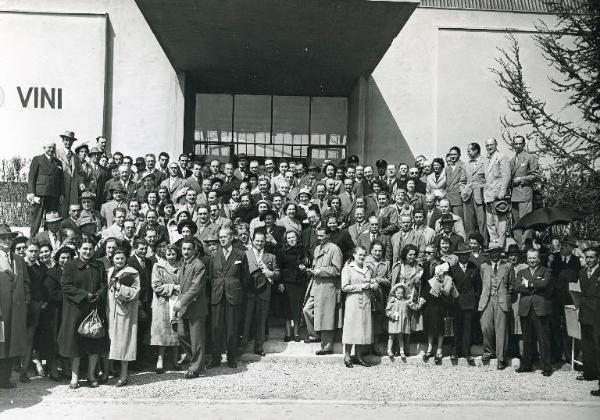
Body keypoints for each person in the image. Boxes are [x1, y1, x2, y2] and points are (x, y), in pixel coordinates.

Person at [58, 237, 108, 389]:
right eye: (85, 249)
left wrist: (98, 294)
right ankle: (74, 377)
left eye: (90, 249)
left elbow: (104, 284)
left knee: (94, 343)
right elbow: (66, 286)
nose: (88, 252)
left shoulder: (98, 265)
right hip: (76, 310)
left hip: (94, 310)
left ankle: (91, 375)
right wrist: (85, 295)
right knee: (76, 346)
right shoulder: (70, 266)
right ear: (78, 249)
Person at [207, 228, 246, 369]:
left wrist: (235, 288)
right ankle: (215, 359)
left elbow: (245, 277)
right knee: (216, 327)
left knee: (232, 328)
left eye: (225, 237)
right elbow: (211, 276)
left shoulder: (240, 254)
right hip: (218, 295)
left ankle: (231, 358)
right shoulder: (214, 255)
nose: (222, 239)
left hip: (233, 295)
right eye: (220, 237)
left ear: (231, 238)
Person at [303, 226, 343, 353]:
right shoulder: (317, 248)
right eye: (318, 235)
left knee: (326, 316)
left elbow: (337, 270)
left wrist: (320, 271)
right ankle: (314, 335)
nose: (319, 238)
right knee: (307, 310)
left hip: (327, 287)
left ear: (328, 235)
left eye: (321, 236)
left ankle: (327, 346)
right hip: (316, 285)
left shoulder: (335, 249)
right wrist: (310, 270)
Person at [515, 249, 553, 376]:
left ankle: (546, 367)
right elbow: (517, 287)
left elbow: (545, 284)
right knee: (527, 339)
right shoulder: (521, 272)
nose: (532, 260)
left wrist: (528, 283)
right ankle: (526, 365)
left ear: (539, 258)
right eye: (530, 258)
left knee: (543, 339)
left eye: (534, 258)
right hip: (526, 309)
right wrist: (535, 285)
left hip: (540, 308)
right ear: (527, 259)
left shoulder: (546, 270)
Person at [173, 239, 208, 379]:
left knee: (197, 339)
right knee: (181, 334)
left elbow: (195, 288)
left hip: (196, 308)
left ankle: (195, 368)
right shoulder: (184, 264)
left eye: (189, 249)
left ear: (194, 250)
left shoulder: (199, 265)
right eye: (184, 249)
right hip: (184, 307)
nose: (186, 252)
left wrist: (180, 303)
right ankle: (198, 361)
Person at [0, 224, 29, 389]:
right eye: (3, 238)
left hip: (16, 311)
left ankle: (5, 379)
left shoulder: (18, 259)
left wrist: (25, 298)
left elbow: (25, 283)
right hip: (1, 311)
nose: (7, 241)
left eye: (9, 238)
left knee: (11, 344)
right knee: (0, 344)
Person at [241, 231, 280, 356]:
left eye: (262, 241)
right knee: (246, 320)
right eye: (257, 241)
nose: (259, 243)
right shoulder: (245, 254)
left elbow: (278, 273)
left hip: (264, 292)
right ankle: (243, 345)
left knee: (261, 319)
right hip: (249, 292)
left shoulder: (271, 256)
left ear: (265, 242)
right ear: (252, 240)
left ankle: (259, 346)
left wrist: (271, 274)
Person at [107, 248, 141, 387]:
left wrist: (119, 287)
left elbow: (135, 291)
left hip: (124, 311)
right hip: (110, 310)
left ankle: (124, 374)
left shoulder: (132, 273)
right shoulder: (109, 271)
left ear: (126, 259)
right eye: (117, 258)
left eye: (122, 258)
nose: (119, 261)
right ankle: (108, 371)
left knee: (124, 343)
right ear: (112, 259)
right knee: (111, 342)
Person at [548, 235, 581, 363]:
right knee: (554, 325)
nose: (563, 246)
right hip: (555, 299)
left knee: (569, 327)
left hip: (569, 299)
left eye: (567, 245)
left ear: (572, 248)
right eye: (563, 244)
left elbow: (577, 279)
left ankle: (569, 355)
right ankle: (556, 354)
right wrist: (549, 263)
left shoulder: (576, 262)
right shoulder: (553, 258)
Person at [478, 243, 512, 370]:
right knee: (486, 326)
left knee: (501, 329)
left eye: (497, 251)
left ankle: (501, 358)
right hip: (487, 299)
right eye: (492, 252)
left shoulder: (507, 266)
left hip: (501, 300)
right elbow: (482, 283)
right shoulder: (483, 266)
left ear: (500, 253)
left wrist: (505, 296)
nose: (495, 254)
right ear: (489, 253)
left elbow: (510, 285)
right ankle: (489, 351)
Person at [341, 246, 375, 368]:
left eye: (364, 255)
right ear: (354, 255)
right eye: (360, 254)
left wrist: (372, 284)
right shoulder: (348, 268)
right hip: (353, 301)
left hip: (365, 301)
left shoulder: (368, 269)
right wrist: (361, 286)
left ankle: (359, 356)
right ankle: (347, 356)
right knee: (351, 328)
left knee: (362, 329)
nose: (362, 257)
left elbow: (370, 283)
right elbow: (344, 287)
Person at [151, 244, 182, 373]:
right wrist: (173, 287)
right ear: (164, 254)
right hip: (162, 302)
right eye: (168, 254)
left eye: (173, 254)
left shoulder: (181, 266)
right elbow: (156, 286)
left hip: (177, 301)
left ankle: (175, 360)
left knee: (176, 331)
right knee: (163, 333)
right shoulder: (158, 266)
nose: (171, 257)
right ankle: (160, 360)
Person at [20, 240, 48, 383]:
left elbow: (45, 287)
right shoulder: (20, 265)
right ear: (25, 251)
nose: (34, 254)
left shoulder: (42, 267)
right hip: (19, 306)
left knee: (30, 338)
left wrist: (44, 301)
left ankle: (24, 371)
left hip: (35, 307)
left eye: (36, 251)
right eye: (31, 251)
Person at [449, 243, 480, 364]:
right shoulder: (453, 269)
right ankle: (455, 351)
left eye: (466, 255)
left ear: (469, 255)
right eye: (461, 255)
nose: (464, 257)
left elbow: (478, 287)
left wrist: (475, 301)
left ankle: (467, 352)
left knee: (468, 328)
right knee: (457, 328)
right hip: (457, 302)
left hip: (469, 302)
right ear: (458, 256)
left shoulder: (474, 268)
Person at [275, 230, 308, 342]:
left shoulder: (302, 249)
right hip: (286, 283)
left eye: (293, 237)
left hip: (299, 282)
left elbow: (307, 262)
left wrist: (304, 268)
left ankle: (297, 333)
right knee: (287, 308)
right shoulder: (281, 251)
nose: (291, 239)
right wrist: (280, 282)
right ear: (286, 239)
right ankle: (288, 333)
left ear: (297, 237)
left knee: (297, 308)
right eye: (289, 238)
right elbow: (279, 267)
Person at [28, 141, 64, 236]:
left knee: (51, 219)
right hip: (40, 194)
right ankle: (32, 238)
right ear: (44, 148)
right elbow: (31, 177)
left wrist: (61, 194)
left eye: (53, 148)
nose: (51, 149)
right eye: (49, 147)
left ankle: (48, 238)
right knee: (37, 218)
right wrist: (32, 192)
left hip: (53, 195)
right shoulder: (37, 159)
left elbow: (61, 180)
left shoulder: (58, 162)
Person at [510, 135, 540, 246]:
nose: (517, 146)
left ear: (524, 144)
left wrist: (521, 179)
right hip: (514, 195)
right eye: (515, 144)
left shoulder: (530, 157)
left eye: (520, 143)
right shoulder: (512, 160)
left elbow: (536, 175)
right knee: (516, 222)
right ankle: (519, 246)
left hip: (525, 193)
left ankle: (527, 245)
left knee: (526, 221)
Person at [423, 261, 454, 365]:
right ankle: (430, 347)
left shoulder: (448, 279)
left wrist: (441, 286)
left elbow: (447, 293)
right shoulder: (433, 279)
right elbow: (426, 291)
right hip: (431, 306)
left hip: (442, 306)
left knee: (441, 328)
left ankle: (439, 349)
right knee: (430, 327)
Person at [578, 247, 600, 396]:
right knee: (587, 345)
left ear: (597, 258)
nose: (589, 260)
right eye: (587, 257)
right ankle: (589, 372)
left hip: (598, 314)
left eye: (592, 257)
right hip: (585, 313)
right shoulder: (582, 273)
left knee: (598, 346)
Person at [483, 138, 511, 248]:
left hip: (498, 195)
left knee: (500, 224)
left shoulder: (501, 156)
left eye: (491, 145)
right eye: (487, 145)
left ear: (496, 145)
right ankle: (494, 245)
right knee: (490, 223)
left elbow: (506, 175)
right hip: (489, 195)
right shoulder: (486, 159)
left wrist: (502, 191)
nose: (489, 147)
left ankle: (501, 246)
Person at [386, 283, 423, 360]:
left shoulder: (406, 302)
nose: (400, 295)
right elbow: (387, 311)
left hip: (401, 323)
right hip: (393, 321)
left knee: (400, 336)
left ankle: (402, 351)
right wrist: (391, 314)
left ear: (404, 294)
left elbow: (415, 307)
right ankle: (389, 351)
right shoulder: (392, 301)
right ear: (395, 293)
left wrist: (421, 303)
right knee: (391, 336)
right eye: (398, 293)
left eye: (402, 293)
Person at [463, 142, 487, 241]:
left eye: (469, 151)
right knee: (469, 223)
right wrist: (464, 190)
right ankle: (470, 245)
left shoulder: (486, 162)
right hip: (468, 197)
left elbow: (488, 179)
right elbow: (462, 181)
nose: (467, 153)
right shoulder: (466, 164)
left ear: (475, 150)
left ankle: (484, 244)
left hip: (480, 196)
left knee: (482, 222)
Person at [445, 147, 467, 218]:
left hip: (457, 198)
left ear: (459, 155)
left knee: (458, 220)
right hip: (448, 198)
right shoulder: (448, 168)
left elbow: (464, 182)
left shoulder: (463, 166)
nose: (452, 156)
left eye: (455, 154)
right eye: (451, 154)